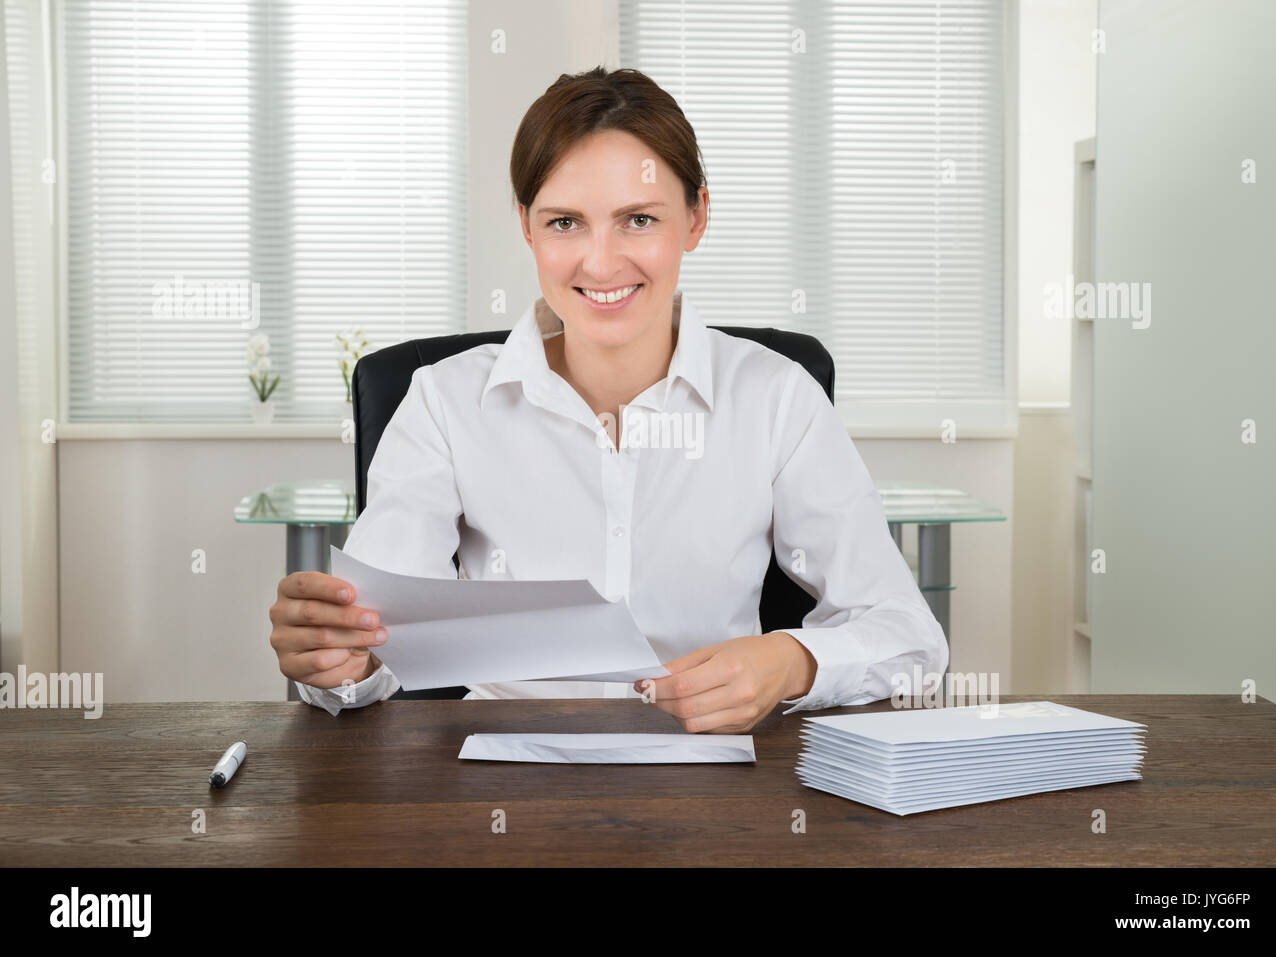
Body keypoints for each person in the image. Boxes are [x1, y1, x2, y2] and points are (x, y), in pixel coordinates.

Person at [268, 65, 947, 732]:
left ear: (696, 217)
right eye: (566, 223)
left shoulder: (776, 399)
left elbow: (909, 636)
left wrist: (790, 659)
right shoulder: (446, 401)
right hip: (501, 785)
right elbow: (372, 648)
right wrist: (337, 663)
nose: (601, 261)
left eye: (638, 219)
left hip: (714, 784)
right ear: (528, 229)